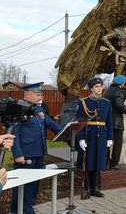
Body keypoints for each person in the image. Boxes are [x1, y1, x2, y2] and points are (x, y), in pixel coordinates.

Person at [10, 82, 62, 214]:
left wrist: (67, 131)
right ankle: (17, 210)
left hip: (39, 152)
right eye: (38, 94)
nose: (41, 96)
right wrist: (17, 154)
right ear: (27, 94)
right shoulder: (18, 108)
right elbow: (13, 134)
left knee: (33, 184)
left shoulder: (39, 108)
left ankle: (28, 207)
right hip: (25, 155)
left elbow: (50, 123)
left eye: (41, 94)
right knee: (21, 185)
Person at [76, 77, 113, 199]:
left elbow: (109, 122)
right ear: (91, 89)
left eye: (101, 86)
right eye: (97, 87)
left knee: (99, 161)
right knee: (88, 162)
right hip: (88, 135)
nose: (99, 89)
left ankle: (95, 188)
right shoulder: (83, 102)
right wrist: (81, 138)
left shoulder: (106, 103)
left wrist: (110, 137)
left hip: (102, 135)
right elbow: (80, 122)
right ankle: (87, 188)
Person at [103, 75, 126, 170]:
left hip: (107, 121)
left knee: (107, 143)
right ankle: (114, 163)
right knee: (117, 144)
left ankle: (105, 162)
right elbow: (119, 105)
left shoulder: (107, 91)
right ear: (122, 84)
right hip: (116, 122)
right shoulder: (118, 91)